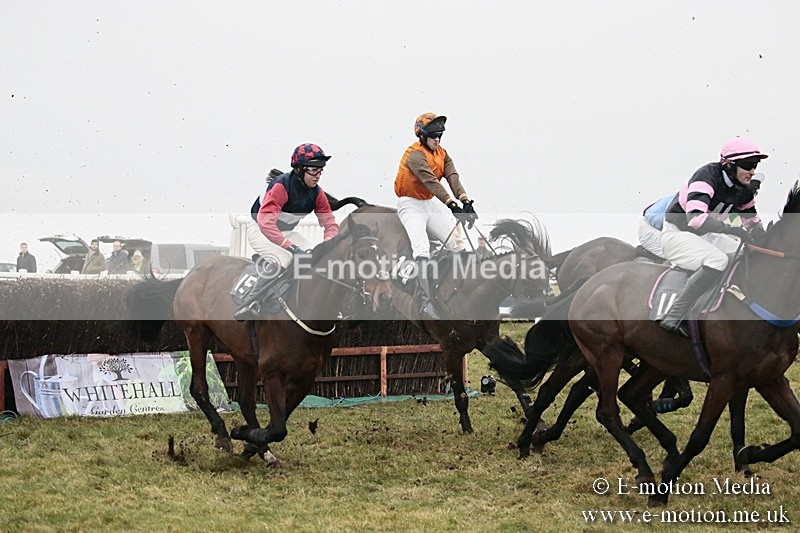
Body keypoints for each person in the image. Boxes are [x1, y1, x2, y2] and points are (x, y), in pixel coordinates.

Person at [658, 136, 768, 336]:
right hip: (677, 234)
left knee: (747, 254)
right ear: (729, 164)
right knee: (718, 261)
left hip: (706, 235)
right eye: (748, 165)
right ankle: (675, 315)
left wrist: (766, 242)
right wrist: (732, 230)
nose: (752, 171)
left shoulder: (743, 188)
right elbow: (696, 219)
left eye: (755, 165)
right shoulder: (706, 175)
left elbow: (753, 221)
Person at [234, 143, 339, 320]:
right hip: (260, 229)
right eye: (314, 170)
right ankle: (253, 301)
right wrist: (291, 248)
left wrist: (328, 243)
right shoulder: (281, 187)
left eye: (321, 171)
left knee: (313, 257)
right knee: (284, 257)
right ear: (299, 170)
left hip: (285, 232)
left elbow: (330, 224)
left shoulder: (317, 193)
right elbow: (266, 225)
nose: (318, 176)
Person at [394, 112, 478, 319]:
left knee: (458, 245)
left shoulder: (442, 153)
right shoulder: (414, 155)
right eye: (433, 136)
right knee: (421, 249)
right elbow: (430, 181)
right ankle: (426, 301)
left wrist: (465, 201)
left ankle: (463, 293)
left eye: (440, 135)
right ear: (422, 136)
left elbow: (452, 176)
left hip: (430, 203)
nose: (437, 139)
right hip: (410, 204)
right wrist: (451, 204)